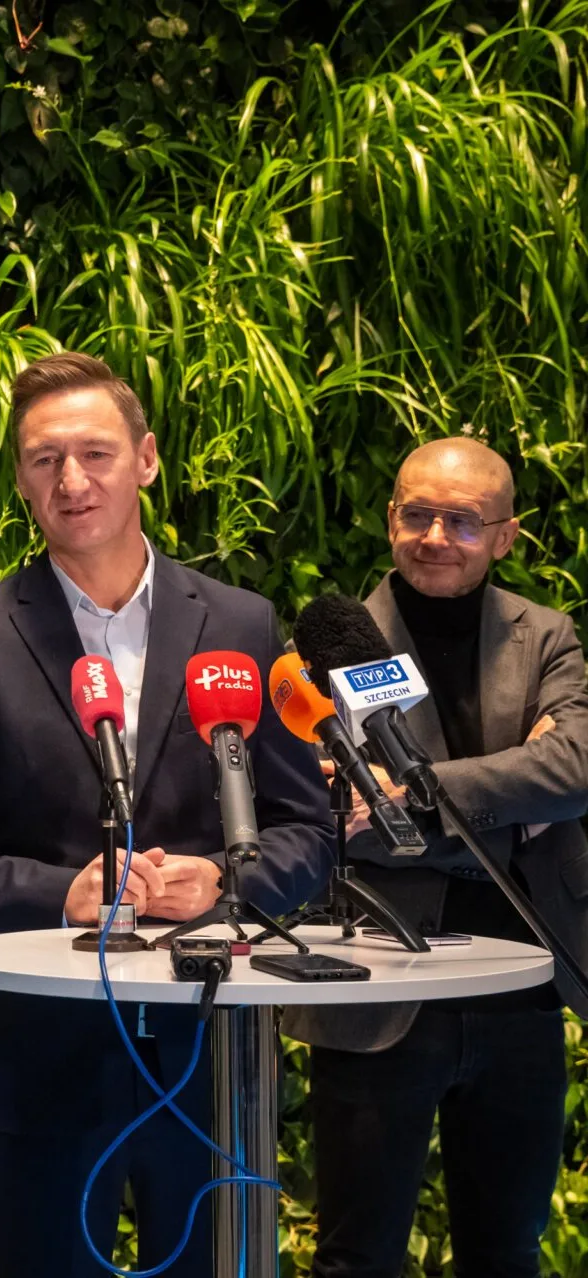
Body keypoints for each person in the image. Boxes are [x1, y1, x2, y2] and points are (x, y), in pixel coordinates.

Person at [0, 352, 331, 1276]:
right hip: (37, 1067)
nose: (71, 481)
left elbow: (309, 831)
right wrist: (66, 893)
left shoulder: (242, 625)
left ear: (147, 460)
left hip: (212, 1060)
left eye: (94, 452)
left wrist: (223, 879)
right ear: (19, 480)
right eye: (45, 460)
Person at [282, 437, 588, 1278]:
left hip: (524, 986)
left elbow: (573, 773)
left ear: (505, 535)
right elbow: (332, 814)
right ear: (391, 519)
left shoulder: (546, 635)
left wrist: (411, 794)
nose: (435, 536)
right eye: (418, 514)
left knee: (507, 1254)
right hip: (378, 987)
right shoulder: (332, 643)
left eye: (463, 520)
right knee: (357, 1258)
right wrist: (510, 800)